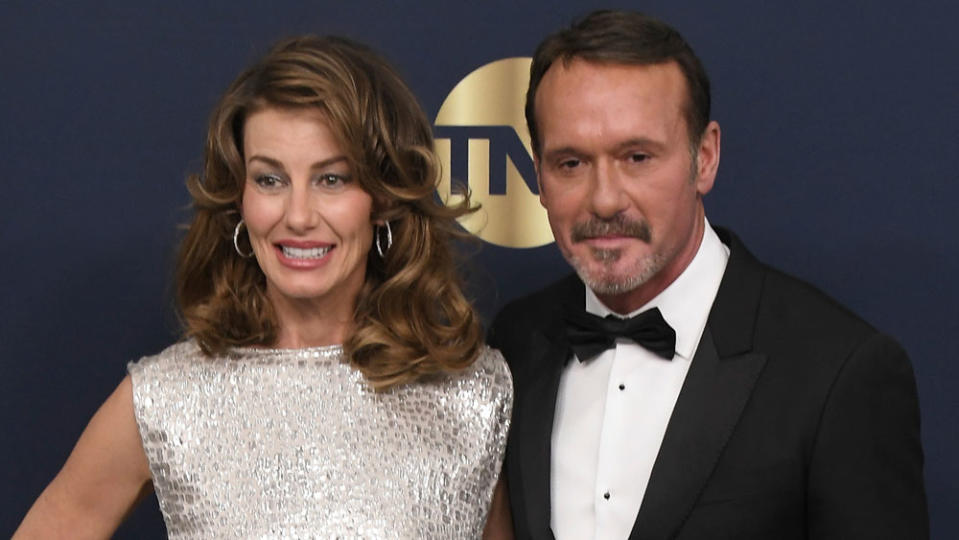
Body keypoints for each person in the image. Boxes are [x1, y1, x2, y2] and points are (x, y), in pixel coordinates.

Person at [16, 35, 512, 538]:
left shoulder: (470, 394)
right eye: (270, 180)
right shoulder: (168, 398)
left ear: (382, 198)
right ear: (240, 198)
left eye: (332, 179)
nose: (297, 216)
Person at [488, 9, 927, 539]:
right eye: (571, 164)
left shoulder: (837, 371)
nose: (604, 200)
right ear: (537, 174)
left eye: (637, 157)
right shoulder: (513, 345)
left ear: (706, 157)